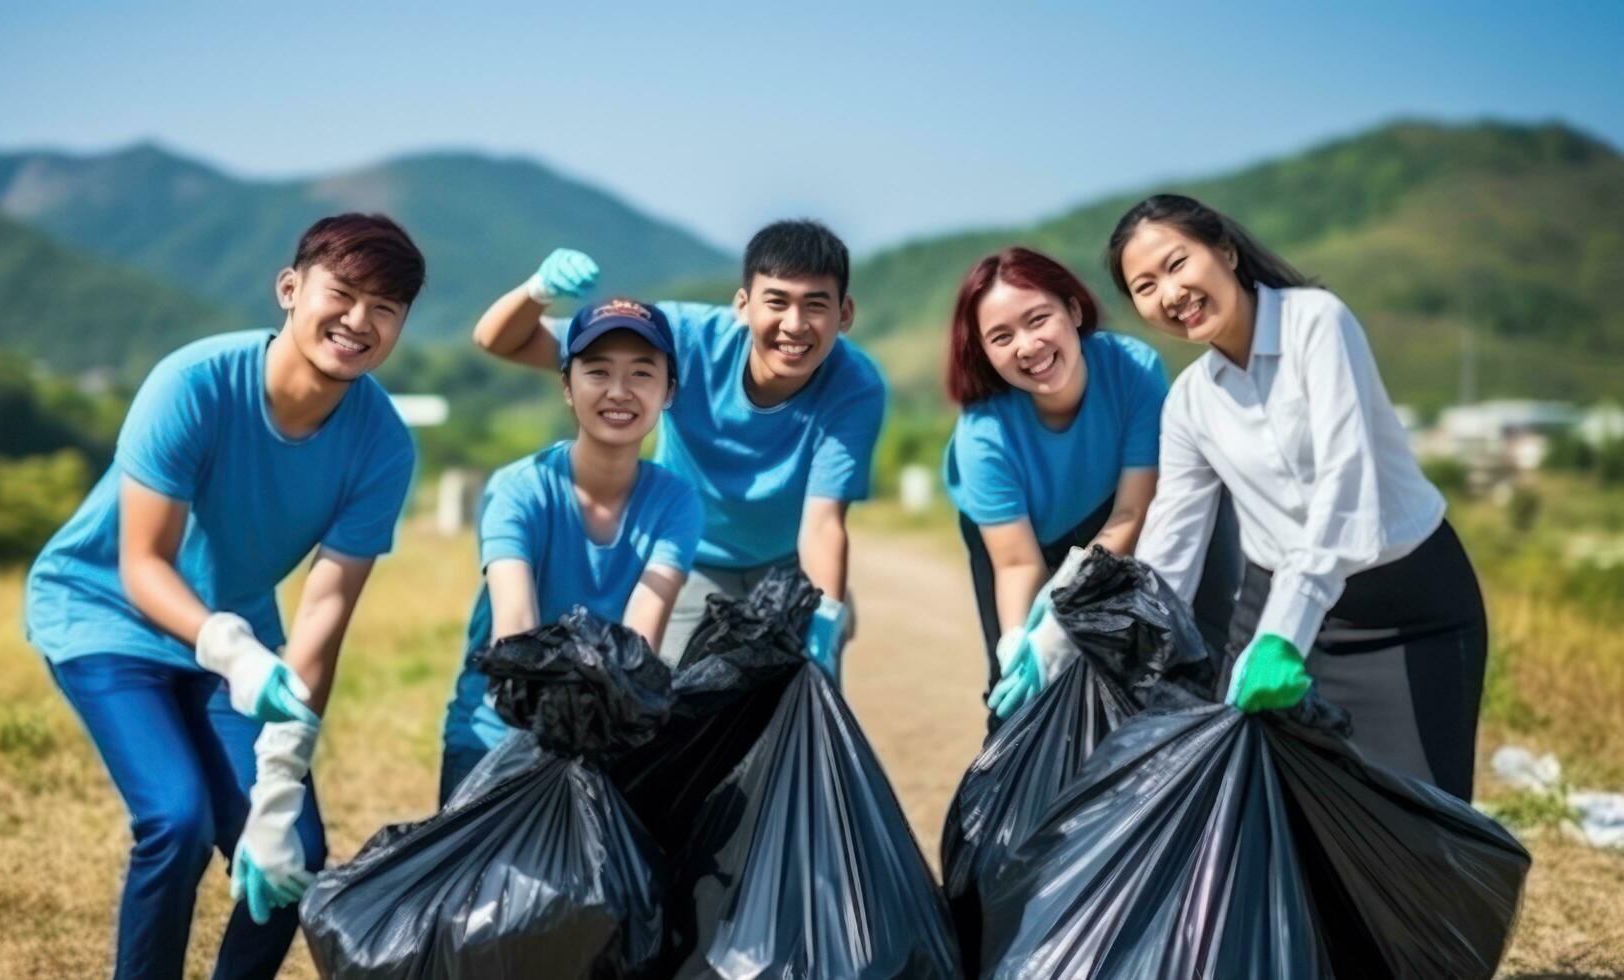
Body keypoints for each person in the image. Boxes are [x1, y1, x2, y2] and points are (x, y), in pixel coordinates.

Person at [23, 214, 424, 978]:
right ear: (289, 288)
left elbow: (325, 611)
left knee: (295, 852)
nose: (358, 321)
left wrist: (280, 779)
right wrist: (233, 650)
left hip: (234, 644)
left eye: (385, 309)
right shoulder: (195, 383)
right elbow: (143, 564)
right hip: (104, 614)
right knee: (176, 820)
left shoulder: (382, 444)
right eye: (341, 294)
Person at [1113, 193, 1487, 800]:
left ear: (1226, 251)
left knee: (1418, 819)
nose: (1170, 293)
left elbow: (1346, 483)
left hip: (1402, 606)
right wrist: (1126, 652)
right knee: (1252, 806)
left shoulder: (1316, 322)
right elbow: (1171, 543)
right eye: (1145, 285)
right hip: (1270, 607)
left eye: (1177, 263)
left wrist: (1287, 634)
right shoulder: (1189, 401)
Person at [471, 221, 886, 677]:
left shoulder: (854, 386)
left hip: (788, 568)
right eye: (777, 302)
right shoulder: (682, 339)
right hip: (688, 558)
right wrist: (538, 290)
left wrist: (824, 615)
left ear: (844, 314)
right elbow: (500, 340)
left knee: (797, 708)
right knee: (673, 706)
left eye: (815, 305)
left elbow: (824, 522)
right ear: (743, 306)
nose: (794, 325)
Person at [441, 298, 703, 798]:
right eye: (598, 372)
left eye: (642, 374)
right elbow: (515, 633)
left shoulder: (676, 502)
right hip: (497, 734)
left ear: (668, 391)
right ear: (567, 385)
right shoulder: (520, 488)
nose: (619, 392)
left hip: (608, 735)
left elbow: (638, 642)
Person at [940, 247, 1168, 725]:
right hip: (1015, 537)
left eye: (1038, 319)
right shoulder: (982, 432)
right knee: (1019, 683)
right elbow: (1017, 562)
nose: (1027, 346)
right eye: (1001, 336)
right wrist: (1020, 641)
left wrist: (1069, 594)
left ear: (1074, 310)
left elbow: (1132, 511)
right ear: (983, 351)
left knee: (1125, 665)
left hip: (1110, 515)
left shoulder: (1133, 370)